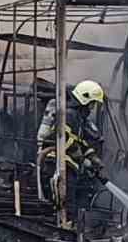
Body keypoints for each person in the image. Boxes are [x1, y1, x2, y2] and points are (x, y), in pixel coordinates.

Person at [36, 79, 107, 214]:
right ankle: (65, 224)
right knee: (66, 205)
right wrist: (81, 158)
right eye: (92, 103)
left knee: (69, 204)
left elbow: (79, 141)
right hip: (58, 165)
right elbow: (63, 138)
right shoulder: (69, 115)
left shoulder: (78, 118)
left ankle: (69, 223)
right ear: (85, 99)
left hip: (68, 166)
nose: (92, 108)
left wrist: (92, 157)